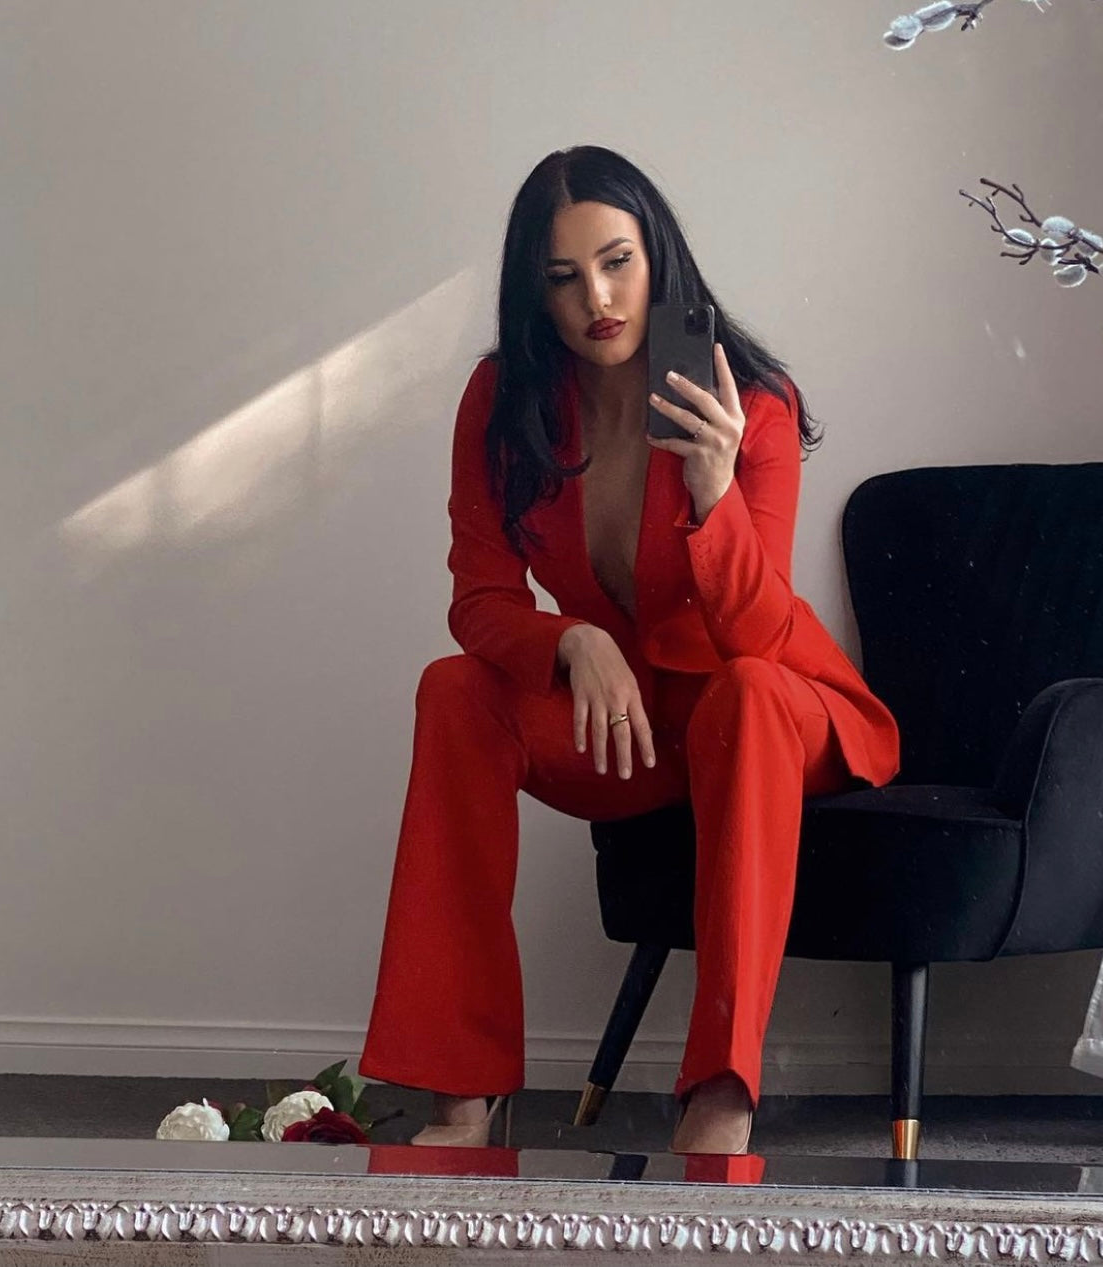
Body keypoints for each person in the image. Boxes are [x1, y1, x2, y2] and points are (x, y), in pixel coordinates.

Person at [358, 145, 900, 1156]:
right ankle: (460, 1089)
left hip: (775, 710)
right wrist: (568, 639)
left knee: (744, 690)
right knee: (455, 693)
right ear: (534, 290)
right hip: (636, 723)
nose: (596, 299)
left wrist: (712, 484)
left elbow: (755, 632)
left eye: (617, 262)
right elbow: (478, 601)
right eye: (562, 278)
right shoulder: (504, 403)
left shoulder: (755, 405)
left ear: (661, 259)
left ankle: (723, 1087)